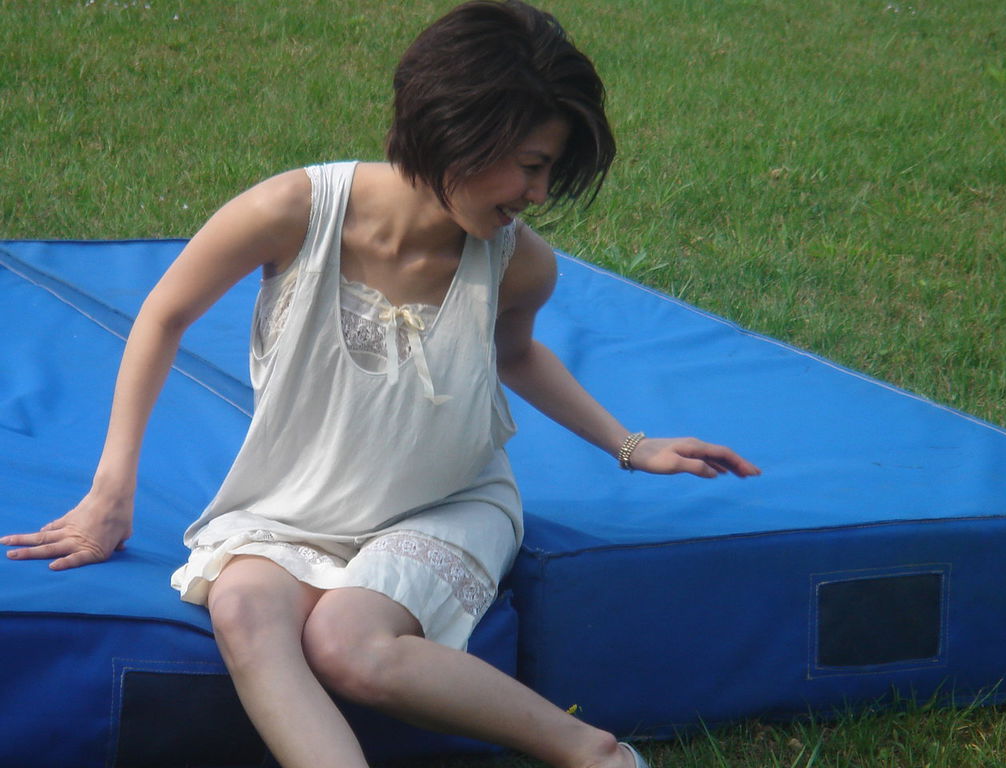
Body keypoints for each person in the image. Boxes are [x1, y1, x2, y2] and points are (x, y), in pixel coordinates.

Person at [2, 2, 761, 767]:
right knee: (243, 610)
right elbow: (163, 315)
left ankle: (595, 754)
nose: (538, 194)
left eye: (548, 172)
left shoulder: (518, 262)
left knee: (348, 643)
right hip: (293, 501)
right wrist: (111, 491)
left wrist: (632, 445)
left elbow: (516, 354)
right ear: (459, 132)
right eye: (531, 165)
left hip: (445, 505)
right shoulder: (294, 211)